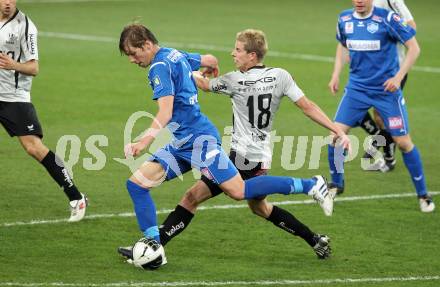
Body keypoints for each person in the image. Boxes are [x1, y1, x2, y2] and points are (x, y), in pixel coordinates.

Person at [117, 25, 350, 267]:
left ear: (252, 55)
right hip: (228, 149)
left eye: (238, 50)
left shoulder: (232, 80)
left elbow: (195, 88)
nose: (233, 54)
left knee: (240, 195)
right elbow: (307, 106)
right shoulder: (280, 75)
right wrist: (336, 129)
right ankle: (153, 247)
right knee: (165, 191)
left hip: (215, 146)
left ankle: (311, 185)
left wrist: (144, 140)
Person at [327, 0, 435, 212]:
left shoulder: (388, 19)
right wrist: (335, 74)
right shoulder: (344, 18)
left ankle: (423, 195)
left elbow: (414, 47)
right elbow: (342, 45)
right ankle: (336, 184)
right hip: (357, 90)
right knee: (335, 136)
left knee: (403, 142)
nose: (359, 0)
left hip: (386, 92)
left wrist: (398, 77)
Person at [0, 0, 88, 222]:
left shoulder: (25, 26)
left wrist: (13, 65)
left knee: (34, 148)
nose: (8, 2)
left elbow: (34, 68)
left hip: (14, 97)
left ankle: (76, 197)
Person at [359, 0, 417, 172]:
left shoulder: (391, 1)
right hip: (369, 68)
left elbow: (412, 26)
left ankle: (389, 156)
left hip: (392, 70)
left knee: (381, 115)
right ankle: (380, 139)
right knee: (362, 111)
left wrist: (389, 32)